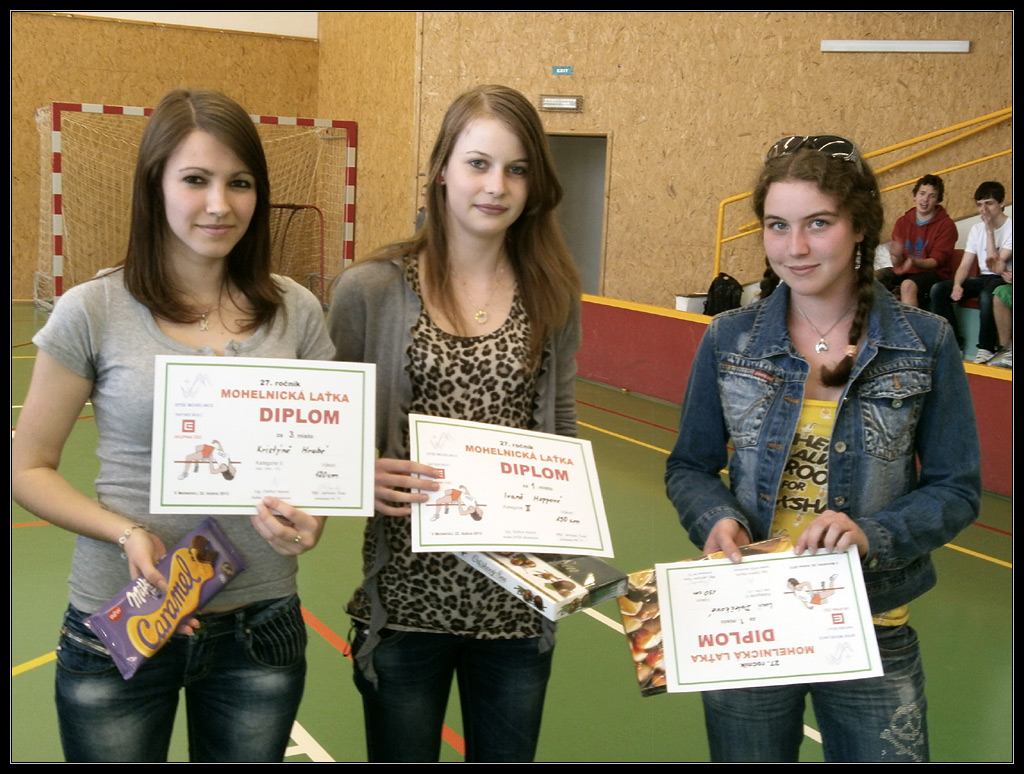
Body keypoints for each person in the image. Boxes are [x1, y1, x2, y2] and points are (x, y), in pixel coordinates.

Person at [11, 88, 336, 762]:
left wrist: (313, 520)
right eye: (195, 180)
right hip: (122, 618)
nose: (220, 204)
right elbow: (28, 468)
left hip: (260, 628)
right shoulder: (92, 309)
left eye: (239, 183)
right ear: (154, 185)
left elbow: (319, 467)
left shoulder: (297, 311)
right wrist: (126, 532)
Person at [665, 135, 981, 762]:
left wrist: (872, 534)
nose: (795, 248)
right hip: (750, 617)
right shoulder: (728, 338)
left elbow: (957, 488)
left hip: (871, 624)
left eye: (818, 223)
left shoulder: (926, 341)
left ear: (860, 226)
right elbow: (690, 466)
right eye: (777, 226)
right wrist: (716, 518)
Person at [327, 84, 581, 763]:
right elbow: (324, 437)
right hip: (406, 602)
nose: (496, 186)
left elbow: (559, 426)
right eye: (478, 164)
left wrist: (569, 519)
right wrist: (357, 474)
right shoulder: (371, 290)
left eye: (516, 169)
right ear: (442, 168)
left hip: (516, 608)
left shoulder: (552, 291)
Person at [930, 181, 1013, 363]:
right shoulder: (976, 229)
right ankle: (953, 344)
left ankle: (986, 348)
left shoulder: (1010, 227)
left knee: (987, 294)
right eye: (980, 205)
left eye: (989, 204)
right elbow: (965, 265)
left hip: (1001, 277)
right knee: (939, 289)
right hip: (983, 278)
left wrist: (989, 231)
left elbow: (995, 263)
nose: (984, 210)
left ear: (1001, 203)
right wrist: (957, 285)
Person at [875, 174, 957, 308]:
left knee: (907, 285)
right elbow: (897, 263)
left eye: (932, 196)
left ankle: (911, 322)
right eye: (922, 193)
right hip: (906, 271)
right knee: (875, 279)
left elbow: (936, 262)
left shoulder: (946, 225)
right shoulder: (902, 222)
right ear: (915, 196)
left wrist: (913, 261)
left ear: (938, 200)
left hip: (934, 274)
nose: (925, 199)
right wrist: (896, 255)